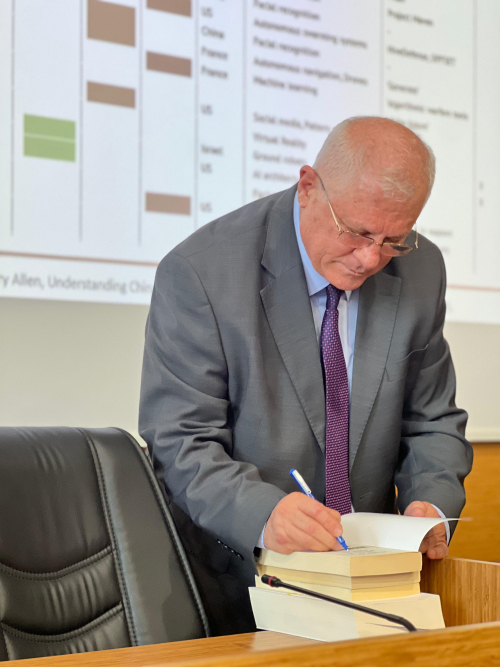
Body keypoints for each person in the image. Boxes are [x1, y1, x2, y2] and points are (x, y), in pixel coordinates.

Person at [139, 116, 472, 635]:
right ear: (308, 187)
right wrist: (265, 514)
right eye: (357, 232)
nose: (370, 258)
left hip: (374, 591)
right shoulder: (202, 273)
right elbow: (182, 441)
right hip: (234, 588)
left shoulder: (422, 268)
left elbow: (432, 419)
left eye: (393, 240)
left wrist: (429, 501)